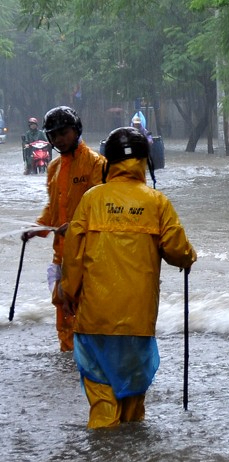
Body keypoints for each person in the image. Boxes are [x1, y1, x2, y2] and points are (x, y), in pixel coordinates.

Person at [60, 127, 196, 429]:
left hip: (94, 319)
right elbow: (177, 250)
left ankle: (105, 455)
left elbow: (73, 258)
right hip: (138, 321)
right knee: (133, 400)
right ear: (144, 160)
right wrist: (189, 257)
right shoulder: (156, 202)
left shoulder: (92, 200)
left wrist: (66, 294)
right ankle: (131, 455)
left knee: (101, 393)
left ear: (108, 161)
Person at [21, 106, 105, 352]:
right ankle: (69, 358)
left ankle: (90, 362)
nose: (59, 139)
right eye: (54, 135)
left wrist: (78, 226)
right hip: (61, 254)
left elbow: (102, 208)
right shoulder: (53, 169)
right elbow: (52, 211)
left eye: (64, 132)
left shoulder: (96, 163)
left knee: (89, 312)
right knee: (63, 312)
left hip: (89, 254)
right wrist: (36, 229)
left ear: (76, 130)